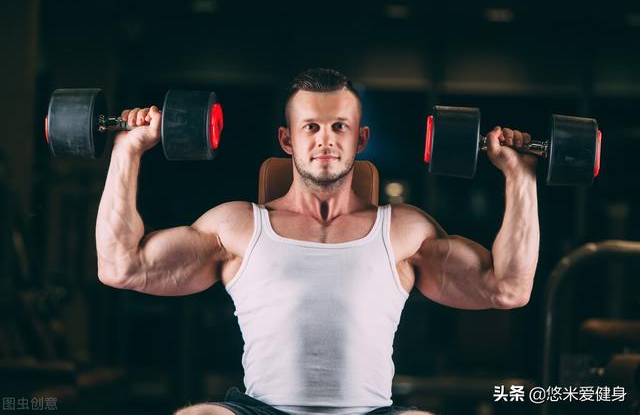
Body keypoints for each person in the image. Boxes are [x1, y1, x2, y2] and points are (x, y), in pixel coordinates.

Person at [95, 68, 539, 415]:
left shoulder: (403, 231)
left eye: (339, 126)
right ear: (287, 139)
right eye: (310, 127)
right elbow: (121, 267)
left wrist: (520, 177)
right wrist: (126, 152)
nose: (325, 139)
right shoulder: (239, 227)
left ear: (360, 139)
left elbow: (507, 289)